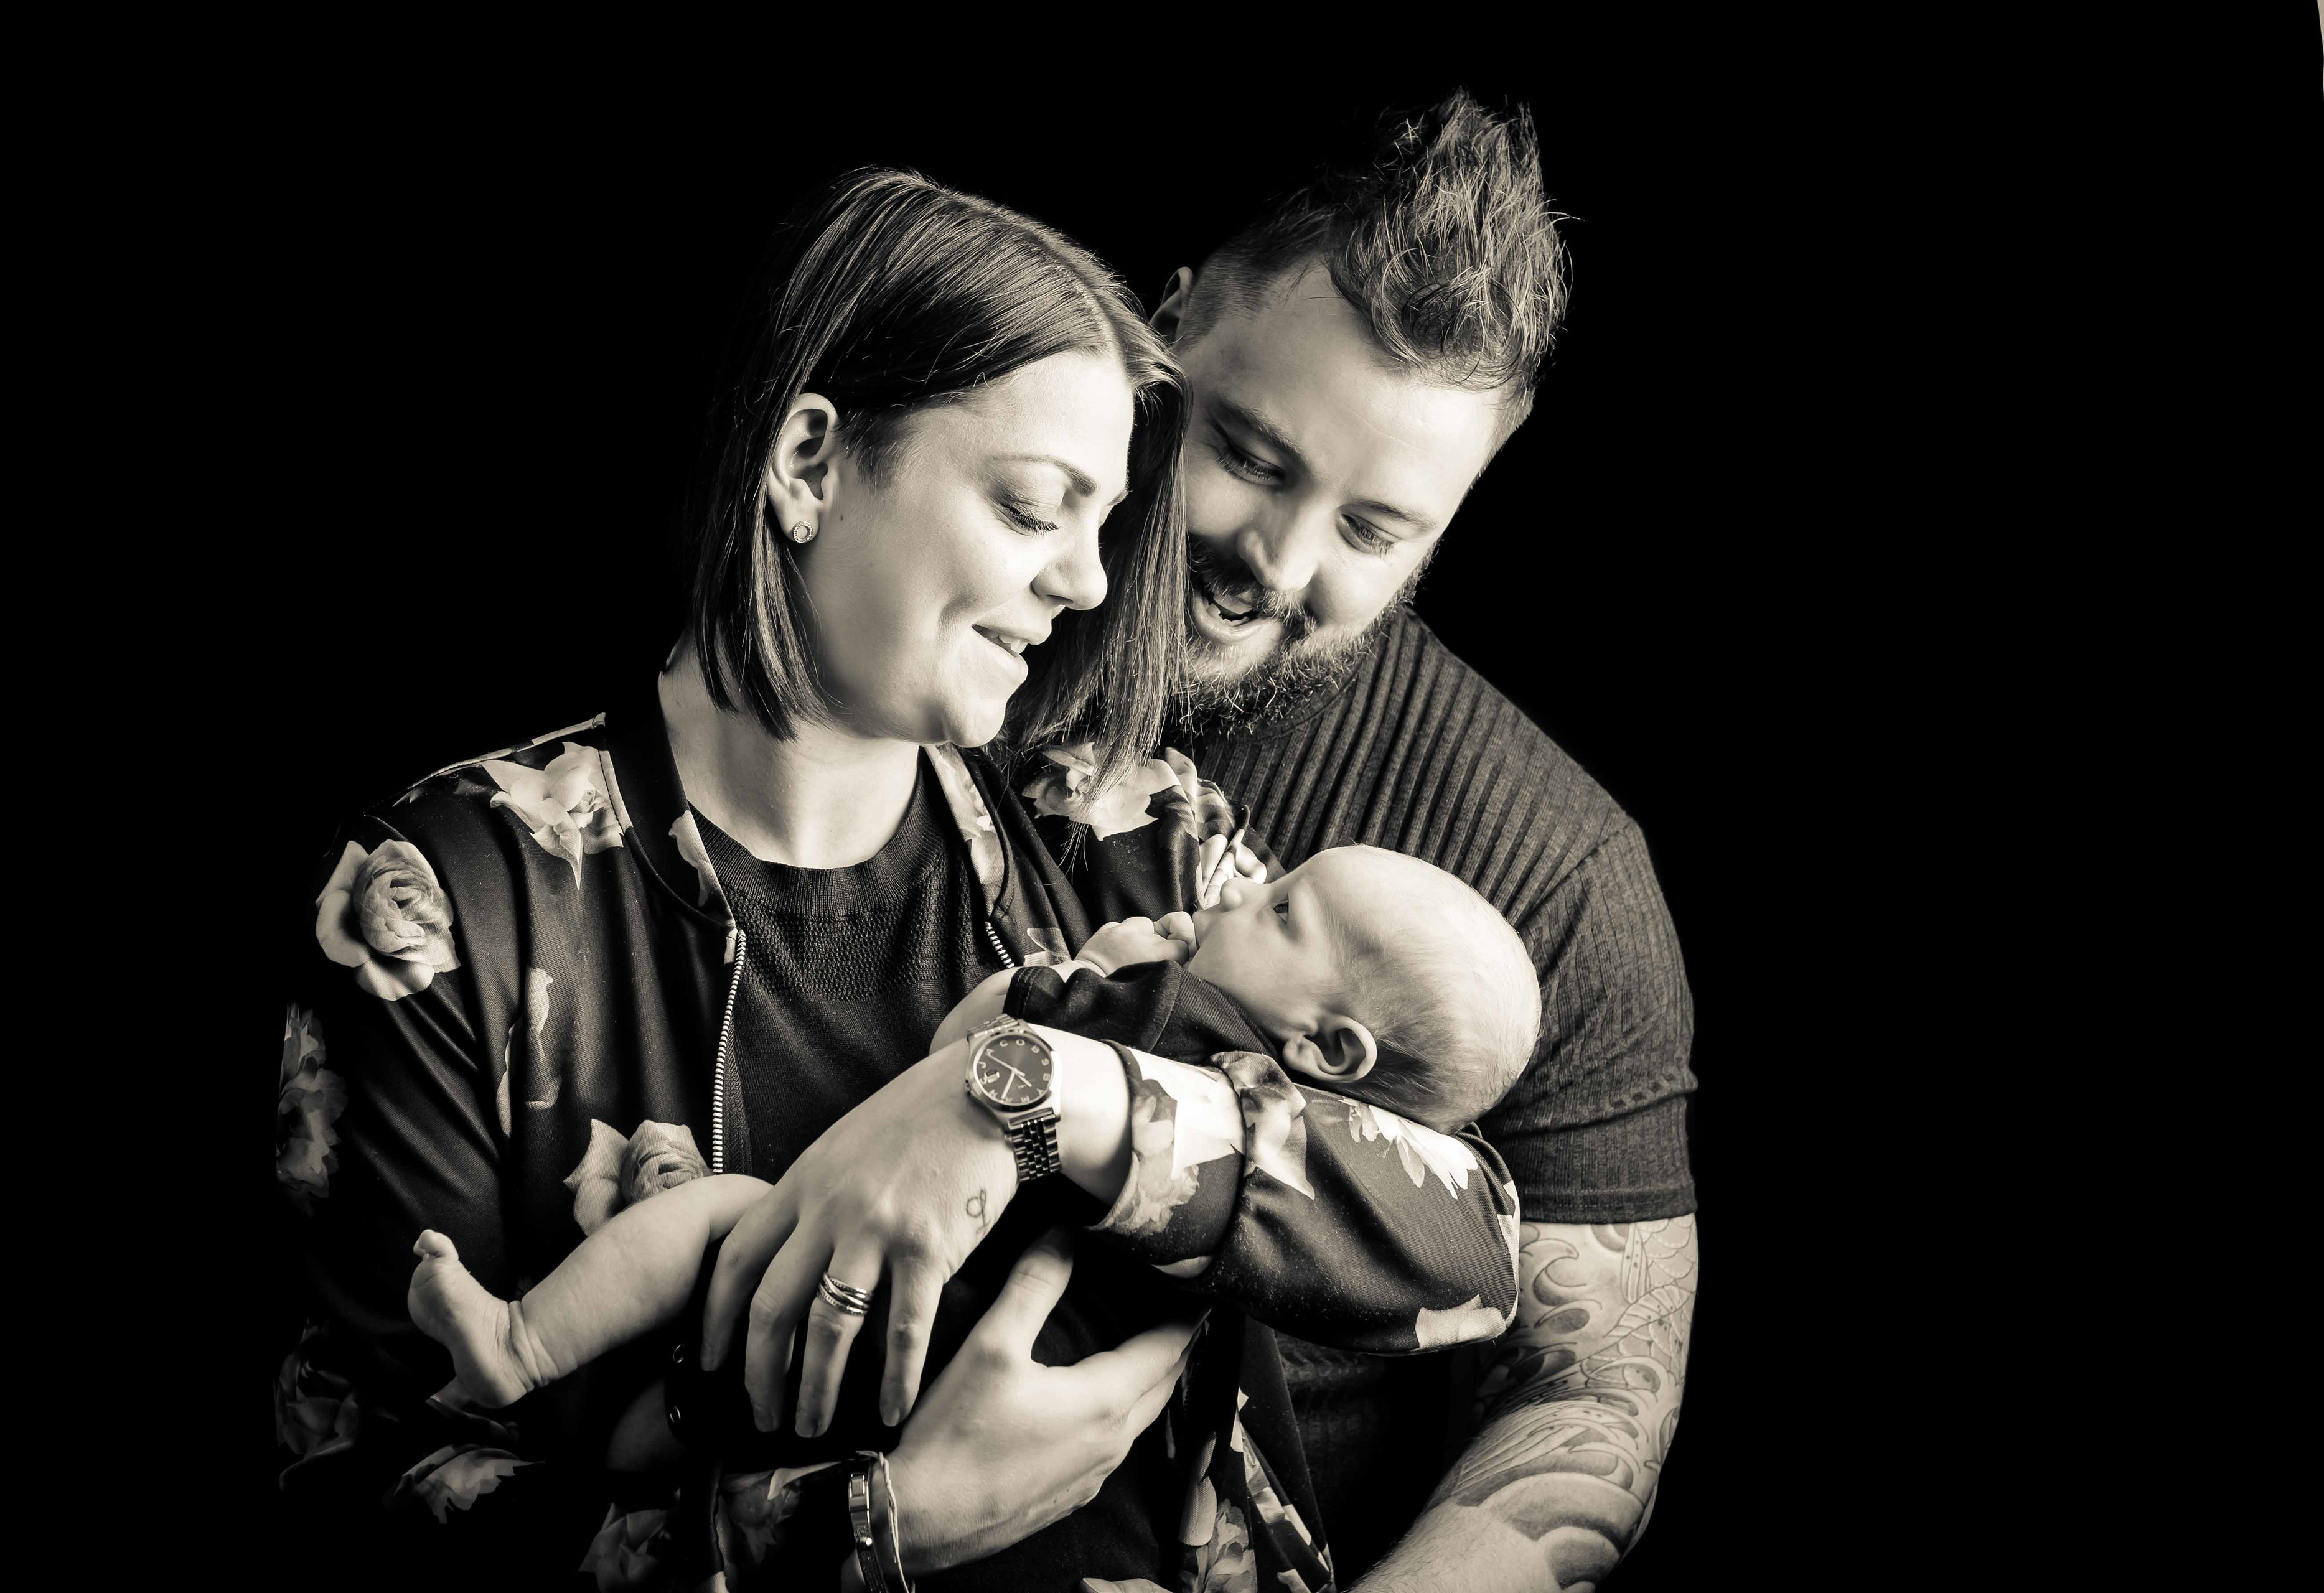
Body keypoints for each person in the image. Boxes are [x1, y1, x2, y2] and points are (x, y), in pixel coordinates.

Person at [274, 166, 1525, 1591]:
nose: (1090, 585)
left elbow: (1468, 1235)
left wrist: (1030, 1098)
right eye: (1034, 508)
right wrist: (879, 1526)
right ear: (809, 462)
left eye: (1103, 524)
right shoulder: (452, 899)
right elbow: (360, 1492)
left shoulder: (1128, 827)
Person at [1054, 89, 1704, 1587]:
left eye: (1375, 530)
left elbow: (1589, 1392)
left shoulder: (1557, 874)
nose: (1276, 562)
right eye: (1252, 455)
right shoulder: (933, 631)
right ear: (1165, 328)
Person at [406, 844, 1541, 1421]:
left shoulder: (1170, 1007)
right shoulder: (1263, 1092)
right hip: (946, 1361)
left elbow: (972, 1039)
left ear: (1331, 1051)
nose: (1239, 885)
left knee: (726, 1220)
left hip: (919, 1324)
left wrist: (1089, 980)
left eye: (1282, 908)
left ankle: (527, 1347)